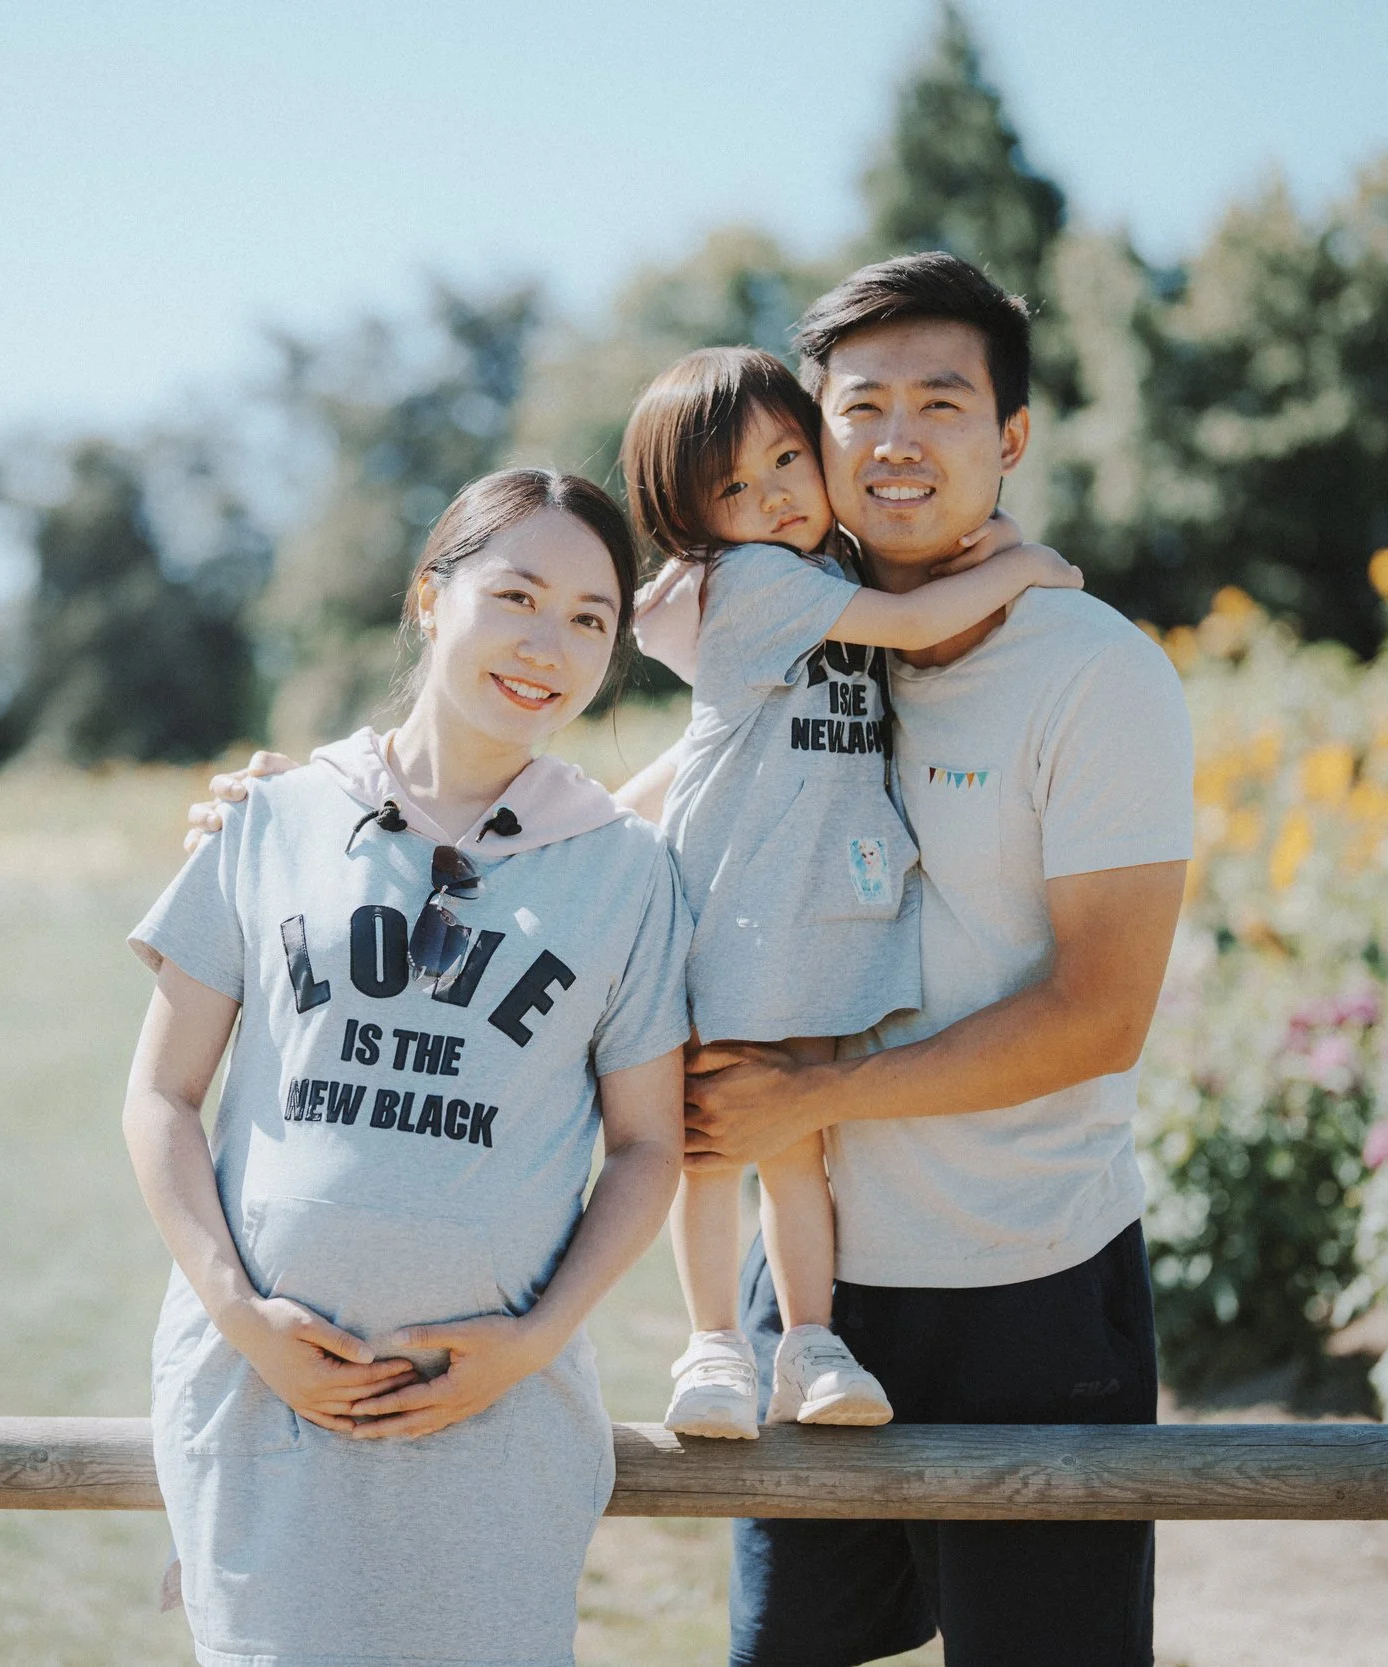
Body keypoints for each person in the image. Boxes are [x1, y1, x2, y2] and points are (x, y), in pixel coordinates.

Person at [676, 253, 1193, 1667]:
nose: (897, 438)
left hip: (1027, 1272)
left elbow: (1100, 1014)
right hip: (819, 1301)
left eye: (942, 402)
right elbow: (611, 787)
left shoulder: (1097, 671)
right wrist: (331, 794)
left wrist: (812, 1103)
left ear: (1010, 437)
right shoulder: (792, 641)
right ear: (813, 434)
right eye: (861, 407)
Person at [124, 467, 691, 1667]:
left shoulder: (627, 872)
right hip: (263, 1389)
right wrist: (241, 1313)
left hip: (493, 1413)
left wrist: (536, 1340)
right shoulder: (272, 820)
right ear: (431, 600)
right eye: (518, 596)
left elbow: (648, 1146)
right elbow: (161, 1096)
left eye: (592, 618)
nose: (551, 644)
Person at [614, 345, 1082, 1441]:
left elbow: (925, 599)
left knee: (797, 1143)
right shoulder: (756, 581)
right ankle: (714, 1342)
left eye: (788, 456)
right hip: (730, 901)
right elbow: (924, 624)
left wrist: (993, 543)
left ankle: (809, 1341)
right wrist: (1027, 565)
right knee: (715, 1138)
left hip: (818, 906)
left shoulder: (826, 573)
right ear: (693, 514)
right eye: (735, 485)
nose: (773, 491)